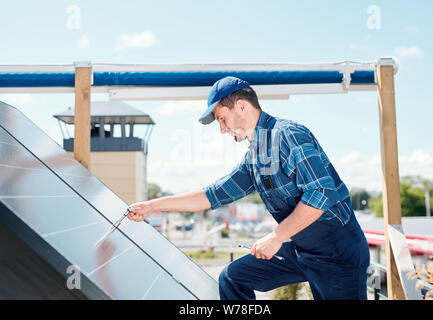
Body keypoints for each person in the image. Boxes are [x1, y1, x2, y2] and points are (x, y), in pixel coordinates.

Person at [127, 76, 370, 300]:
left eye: (222, 119)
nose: (222, 129)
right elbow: (212, 195)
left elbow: (321, 192)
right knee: (233, 277)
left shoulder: (288, 135)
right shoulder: (254, 157)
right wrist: (152, 206)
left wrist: (276, 237)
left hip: (338, 255)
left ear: (242, 106)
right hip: (303, 250)